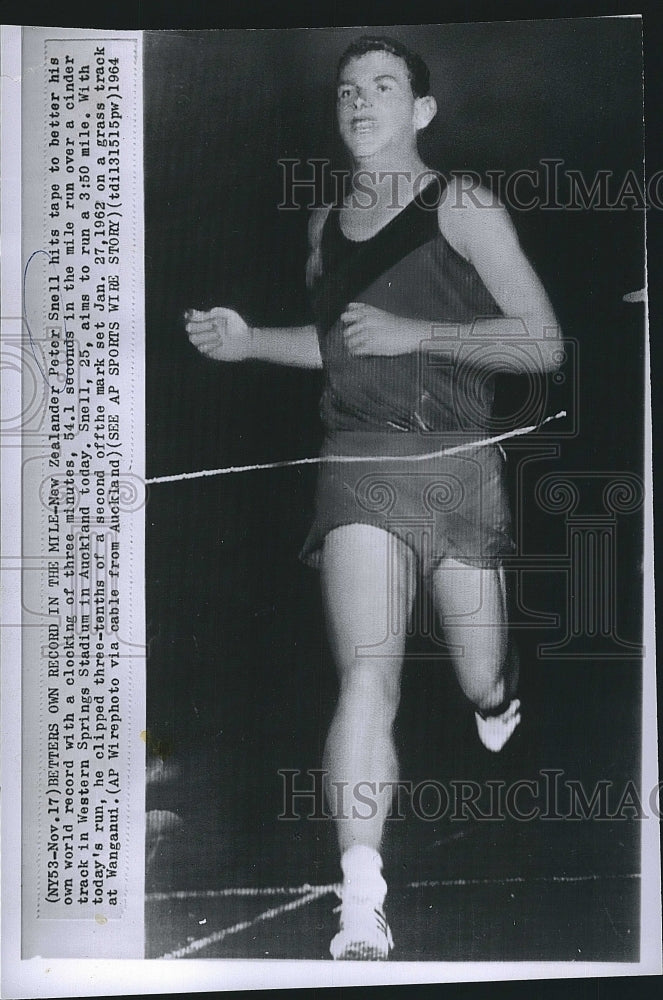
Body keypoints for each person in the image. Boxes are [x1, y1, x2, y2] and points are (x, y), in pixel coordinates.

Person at [185, 35, 562, 961]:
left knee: (480, 672)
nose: (360, 102)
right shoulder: (322, 225)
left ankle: (496, 695)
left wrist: (415, 330)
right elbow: (340, 347)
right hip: (357, 462)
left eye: (384, 86)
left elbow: (542, 346)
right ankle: (361, 900)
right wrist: (248, 343)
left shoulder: (463, 208)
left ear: (421, 111)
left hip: (459, 464)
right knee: (366, 674)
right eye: (348, 89)